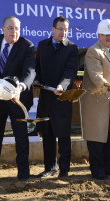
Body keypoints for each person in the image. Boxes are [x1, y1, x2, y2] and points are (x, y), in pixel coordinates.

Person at [0, 16, 36, 182]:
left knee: (21, 136)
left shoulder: (26, 46)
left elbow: (30, 71)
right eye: (10, 28)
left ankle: (23, 173)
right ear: (2, 29)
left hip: (17, 98)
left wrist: (21, 87)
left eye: (17, 28)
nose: (14, 32)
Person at [35, 16, 78, 178]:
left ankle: (64, 169)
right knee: (47, 135)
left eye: (66, 30)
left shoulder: (71, 48)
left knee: (64, 135)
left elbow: (70, 72)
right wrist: (36, 79)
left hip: (62, 98)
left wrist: (62, 86)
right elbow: (37, 67)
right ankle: (50, 168)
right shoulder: (42, 46)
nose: (63, 32)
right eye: (60, 29)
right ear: (52, 29)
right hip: (46, 99)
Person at [81, 19, 110, 180]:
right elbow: (97, 77)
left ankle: (109, 168)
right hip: (96, 102)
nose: (109, 37)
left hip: (109, 100)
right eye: (106, 34)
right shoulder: (93, 52)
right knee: (97, 138)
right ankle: (98, 172)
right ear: (99, 35)